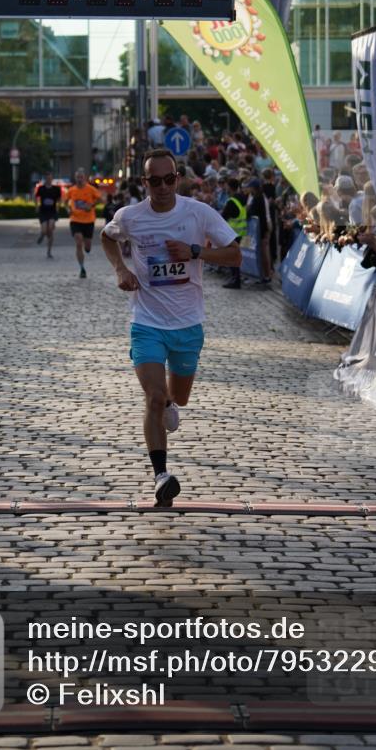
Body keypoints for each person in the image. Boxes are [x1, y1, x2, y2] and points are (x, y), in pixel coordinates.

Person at [100, 148, 241, 507]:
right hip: (146, 322)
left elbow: (235, 254)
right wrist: (121, 270)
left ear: (178, 179)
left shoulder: (197, 213)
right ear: (144, 182)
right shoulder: (130, 216)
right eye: (154, 180)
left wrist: (195, 252)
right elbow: (107, 236)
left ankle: (169, 404)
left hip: (188, 324)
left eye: (169, 179)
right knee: (153, 397)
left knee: (177, 398)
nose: (162, 187)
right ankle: (161, 476)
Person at [66, 168, 101, 278]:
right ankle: (82, 268)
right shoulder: (71, 190)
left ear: (85, 178)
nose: (79, 179)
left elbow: (100, 199)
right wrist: (68, 209)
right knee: (78, 242)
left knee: (88, 247)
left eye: (81, 177)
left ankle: (87, 248)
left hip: (89, 220)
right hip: (75, 220)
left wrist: (91, 205)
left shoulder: (91, 189)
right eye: (78, 177)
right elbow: (65, 201)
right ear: (75, 178)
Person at [220, 177, 247, 289]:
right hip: (241, 232)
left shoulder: (231, 201)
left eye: (226, 186)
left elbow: (223, 217)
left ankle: (235, 280)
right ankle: (236, 278)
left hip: (232, 233)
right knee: (235, 256)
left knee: (232, 257)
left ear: (230, 187)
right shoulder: (243, 197)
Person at [35, 172, 62, 258]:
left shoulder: (56, 189)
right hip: (43, 212)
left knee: (50, 229)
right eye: (47, 178)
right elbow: (36, 197)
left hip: (52, 212)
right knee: (44, 230)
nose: (48, 180)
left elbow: (59, 199)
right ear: (45, 179)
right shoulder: (41, 188)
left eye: (50, 178)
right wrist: (36, 206)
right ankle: (42, 235)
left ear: (52, 179)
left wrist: (58, 207)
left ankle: (49, 251)